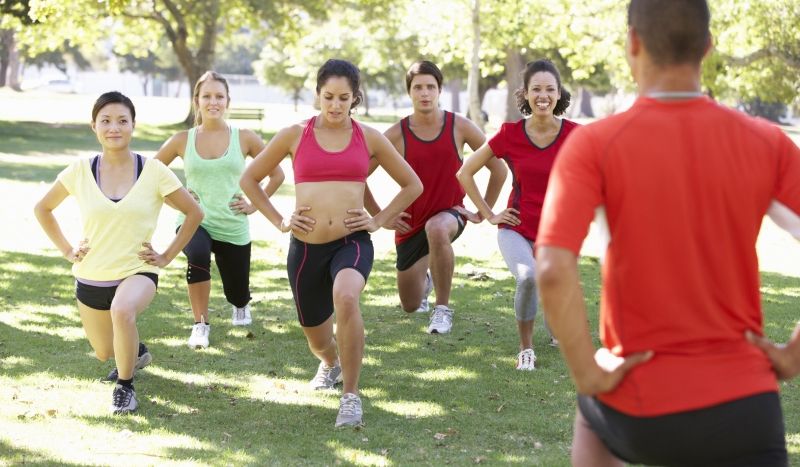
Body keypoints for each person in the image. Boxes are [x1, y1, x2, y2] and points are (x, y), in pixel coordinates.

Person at [535, 0, 800, 465]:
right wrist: (795, 353)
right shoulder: (769, 142)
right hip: (747, 407)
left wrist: (588, 376)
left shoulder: (594, 144)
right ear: (708, 48)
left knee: (589, 414)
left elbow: (554, 269)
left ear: (632, 43)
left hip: (642, 406)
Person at [240, 59, 422, 427]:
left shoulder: (369, 137)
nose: (335, 105)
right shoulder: (295, 134)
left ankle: (351, 396)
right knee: (317, 339)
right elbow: (250, 179)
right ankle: (330, 363)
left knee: (347, 297)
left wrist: (376, 221)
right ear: (317, 95)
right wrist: (279, 220)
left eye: (343, 98)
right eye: (328, 97)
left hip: (351, 242)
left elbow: (412, 184)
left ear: (355, 97)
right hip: (305, 249)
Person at [33, 91, 203, 414]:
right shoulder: (80, 170)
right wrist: (68, 250)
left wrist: (166, 256)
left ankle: (125, 389)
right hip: (92, 277)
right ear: (94, 126)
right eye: (106, 121)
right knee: (103, 351)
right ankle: (135, 352)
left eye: (122, 121)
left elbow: (194, 213)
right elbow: (43, 208)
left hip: (137, 272)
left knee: (123, 310)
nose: (115, 127)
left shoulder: (153, 170)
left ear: (133, 125)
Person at [365, 61, 507, 335]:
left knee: (437, 228)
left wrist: (483, 212)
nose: (425, 93)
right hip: (411, 223)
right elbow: (359, 177)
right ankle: (426, 284)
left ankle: (442, 310)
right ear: (409, 93)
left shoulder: (460, 126)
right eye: (418, 87)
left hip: (450, 214)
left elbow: (498, 168)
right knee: (410, 304)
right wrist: (381, 217)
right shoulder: (395, 134)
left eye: (431, 87)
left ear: (440, 90)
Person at [457, 59, 578, 370]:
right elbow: (465, 172)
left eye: (550, 89)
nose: (543, 95)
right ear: (525, 94)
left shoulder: (576, 135)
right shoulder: (510, 134)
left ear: (559, 93)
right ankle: (526, 349)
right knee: (527, 278)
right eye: (535, 89)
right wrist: (488, 213)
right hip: (518, 228)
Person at [155, 71, 285, 349]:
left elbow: (277, 175)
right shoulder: (181, 139)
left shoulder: (245, 138)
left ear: (228, 101)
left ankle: (240, 303)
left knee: (237, 292)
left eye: (219, 96)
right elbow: (150, 175)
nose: (213, 102)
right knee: (198, 255)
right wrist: (176, 200)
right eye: (207, 96)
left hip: (232, 225)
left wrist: (252, 207)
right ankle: (200, 325)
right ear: (197, 101)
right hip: (194, 220)